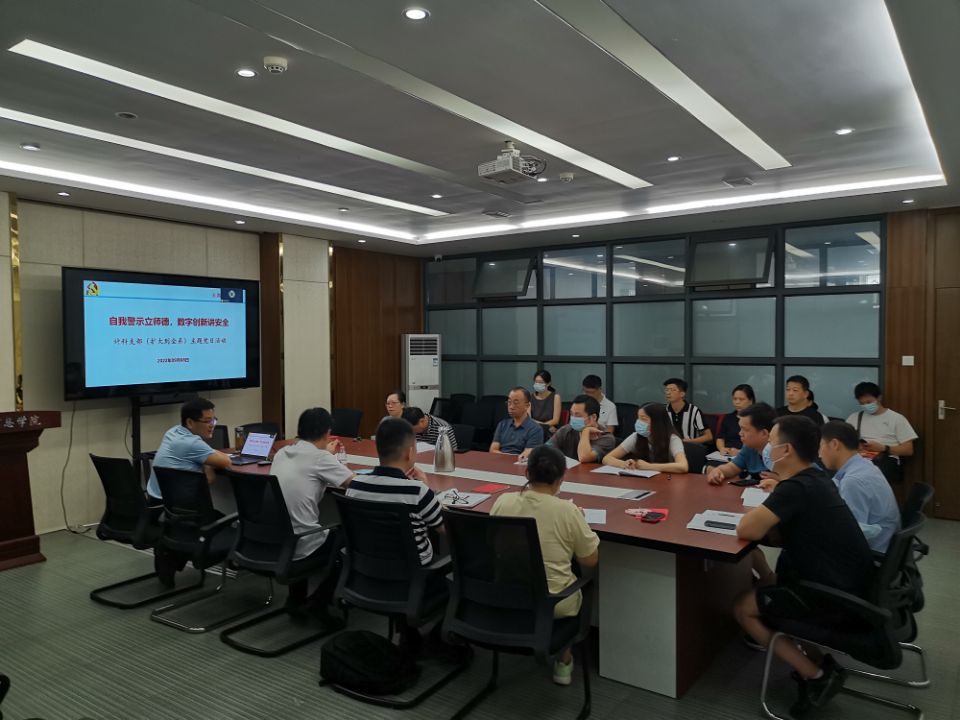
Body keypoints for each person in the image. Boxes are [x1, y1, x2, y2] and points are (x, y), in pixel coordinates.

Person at [733, 416, 875, 716]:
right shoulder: (816, 478)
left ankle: (816, 676)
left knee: (743, 608)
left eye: (772, 441)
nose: (768, 447)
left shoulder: (796, 488)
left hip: (829, 594)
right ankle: (821, 663)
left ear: (786, 450)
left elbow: (746, 529)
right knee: (770, 584)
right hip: (845, 583)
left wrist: (773, 499)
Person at [491, 445, 599, 686]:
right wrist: (579, 522)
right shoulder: (568, 510)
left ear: (526, 474)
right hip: (554, 604)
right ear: (561, 479)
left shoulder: (503, 502)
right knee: (572, 570)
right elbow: (590, 560)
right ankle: (564, 659)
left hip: (507, 595)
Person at [272, 407, 354, 616]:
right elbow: (354, 483)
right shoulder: (320, 458)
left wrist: (326, 455)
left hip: (277, 540)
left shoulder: (282, 453)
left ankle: (296, 599)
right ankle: (318, 603)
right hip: (302, 542)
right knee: (351, 538)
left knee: (303, 525)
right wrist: (327, 456)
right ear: (327, 433)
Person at [147, 398, 233, 584]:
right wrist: (207, 461)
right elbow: (225, 462)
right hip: (184, 513)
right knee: (231, 522)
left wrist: (205, 461)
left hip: (160, 508)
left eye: (214, 420)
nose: (212, 425)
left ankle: (171, 557)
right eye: (207, 421)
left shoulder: (172, 432)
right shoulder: (192, 444)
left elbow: (208, 473)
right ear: (190, 422)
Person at [345, 418, 443, 565]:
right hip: (413, 571)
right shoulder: (417, 491)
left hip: (366, 566)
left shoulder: (355, 485)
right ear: (410, 452)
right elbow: (446, 529)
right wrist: (428, 489)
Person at [819, 420, 900, 553]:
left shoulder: (853, 481)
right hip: (885, 545)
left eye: (820, 446)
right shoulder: (865, 465)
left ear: (834, 444)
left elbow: (850, 536)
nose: (819, 454)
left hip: (871, 553)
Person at [846, 382, 917, 484]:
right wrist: (856, 446)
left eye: (869, 402)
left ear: (879, 398)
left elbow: (909, 450)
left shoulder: (896, 419)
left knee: (867, 476)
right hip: (859, 457)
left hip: (884, 459)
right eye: (862, 404)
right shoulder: (854, 418)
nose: (866, 406)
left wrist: (884, 448)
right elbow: (843, 440)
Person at [522, 394, 617, 464]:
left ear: (593, 417)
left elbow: (584, 457)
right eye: (571, 414)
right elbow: (548, 447)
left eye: (577, 415)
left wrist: (585, 431)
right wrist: (533, 451)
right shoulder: (567, 429)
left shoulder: (606, 438)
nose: (573, 418)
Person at [602, 403, 688, 474]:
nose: (639, 422)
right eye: (638, 418)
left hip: (666, 481)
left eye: (643, 419)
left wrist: (649, 466)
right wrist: (624, 463)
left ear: (657, 422)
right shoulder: (636, 436)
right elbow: (607, 458)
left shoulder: (673, 439)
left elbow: (683, 466)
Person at [706, 402, 776, 486]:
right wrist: (718, 471)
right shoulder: (749, 448)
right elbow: (732, 467)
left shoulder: (780, 452)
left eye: (745, 429)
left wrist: (779, 482)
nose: (740, 433)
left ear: (764, 433)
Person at [490, 387, 544, 454]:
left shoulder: (535, 429)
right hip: (500, 459)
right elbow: (493, 450)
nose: (511, 407)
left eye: (516, 403)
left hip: (519, 460)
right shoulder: (502, 424)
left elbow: (527, 455)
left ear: (527, 405)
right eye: (509, 402)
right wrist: (504, 457)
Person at [663, 378, 712, 445]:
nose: (668, 393)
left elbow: (708, 436)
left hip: (689, 446)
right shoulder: (663, 410)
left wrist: (691, 441)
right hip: (668, 446)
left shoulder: (694, 411)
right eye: (667, 390)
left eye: (673, 390)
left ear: (682, 394)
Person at [716, 384, 756, 456]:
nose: (737, 402)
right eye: (735, 399)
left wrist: (740, 452)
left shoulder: (756, 419)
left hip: (746, 456)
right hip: (727, 455)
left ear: (750, 401)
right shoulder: (728, 418)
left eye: (741, 399)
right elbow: (720, 438)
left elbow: (760, 444)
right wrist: (722, 448)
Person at [530, 370, 562, 435]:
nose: (538, 384)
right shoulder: (530, 397)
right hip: (535, 430)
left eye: (540, 382)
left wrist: (543, 427)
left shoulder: (556, 397)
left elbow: (555, 420)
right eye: (536, 382)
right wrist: (545, 427)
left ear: (548, 383)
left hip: (551, 432)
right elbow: (529, 419)